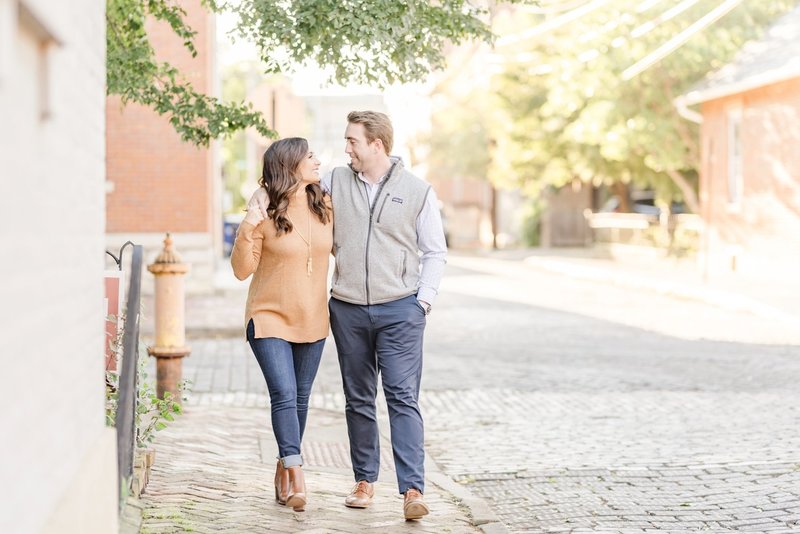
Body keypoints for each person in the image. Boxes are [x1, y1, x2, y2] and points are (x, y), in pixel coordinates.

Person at [326, 111, 447, 520]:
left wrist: (422, 302)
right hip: (347, 308)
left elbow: (435, 252)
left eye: (353, 141)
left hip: (400, 310)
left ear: (376, 145)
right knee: (358, 399)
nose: (347, 149)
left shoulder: (418, 191)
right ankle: (364, 481)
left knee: (401, 396)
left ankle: (413, 489)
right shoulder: (334, 182)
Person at [231, 137, 332, 513]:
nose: (318, 161)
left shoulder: (325, 205)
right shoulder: (264, 211)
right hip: (269, 316)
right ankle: (297, 473)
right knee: (285, 394)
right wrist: (250, 221)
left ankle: (283, 463)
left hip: (313, 319)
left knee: (301, 398)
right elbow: (242, 270)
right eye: (310, 156)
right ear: (291, 165)